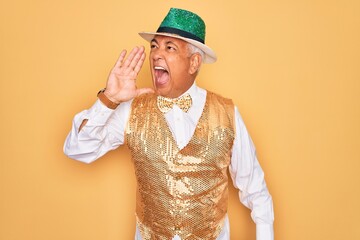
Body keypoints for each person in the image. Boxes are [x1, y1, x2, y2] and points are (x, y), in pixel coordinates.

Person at [64, 8, 274, 240]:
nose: (156, 54)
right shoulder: (131, 109)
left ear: (194, 62)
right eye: (154, 46)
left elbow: (256, 189)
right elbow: (77, 149)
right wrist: (109, 99)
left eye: (169, 47)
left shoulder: (226, 113)